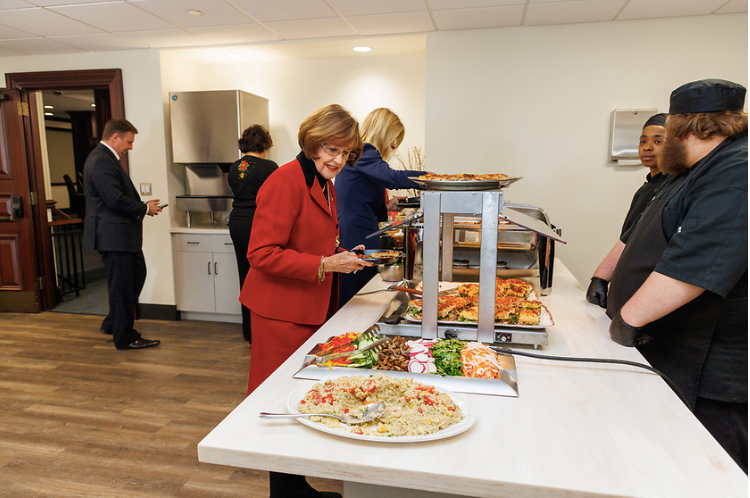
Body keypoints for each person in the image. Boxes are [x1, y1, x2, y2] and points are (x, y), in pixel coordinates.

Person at [606, 79, 747, 472]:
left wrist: (628, 320)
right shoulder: (693, 170)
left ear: (685, 127)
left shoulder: (739, 171)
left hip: (707, 369)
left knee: (707, 473)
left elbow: (696, 265)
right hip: (671, 349)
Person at [239, 104, 372, 498]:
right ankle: (284, 493)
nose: (338, 160)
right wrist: (324, 263)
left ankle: (296, 488)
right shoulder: (285, 181)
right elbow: (261, 253)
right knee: (278, 405)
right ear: (312, 143)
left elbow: (310, 239)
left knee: (297, 401)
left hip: (305, 309)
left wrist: (342, 254)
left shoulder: (321, 180)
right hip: (279, 313)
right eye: (332, 149)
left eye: (346, 153)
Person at [83, 118, 162, 350]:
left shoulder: (107, 159)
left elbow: (116, 196)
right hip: (113, 236)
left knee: (136, 275)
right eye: (129, 142)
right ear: (115, 137)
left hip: (121, 235)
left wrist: (142, 205)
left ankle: (113, 322)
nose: (130, 147)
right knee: (122, 286)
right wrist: (145, 208)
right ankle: (125, 336)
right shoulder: (100, 161)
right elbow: (114, 199)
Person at [335, 108, 425, 307]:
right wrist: (430, 178)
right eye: (394, 140)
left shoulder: (361, 155)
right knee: (354, 294)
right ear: (384, 133)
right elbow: (393, 178)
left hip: (358, 228)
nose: (394, 146)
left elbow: (361, 197)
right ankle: (346, 334)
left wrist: (388, 205)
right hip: (356, 232)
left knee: (359, 291)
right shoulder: (364, 152)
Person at [586, 113, 669, 307]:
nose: (648, 147)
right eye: (642, 141)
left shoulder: (670, 189)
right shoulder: (646, 188)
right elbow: (629, 236)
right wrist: (601, 277)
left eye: (658, 141)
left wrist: (602, 276)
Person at [227, 124, 278, 344]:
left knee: (244, 274)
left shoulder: (233, 167)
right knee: (262, 276)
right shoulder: (269, 166)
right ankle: (261, 330)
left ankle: (248, 331)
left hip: (236, 223)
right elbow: (278, 197)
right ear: (264, 144)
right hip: (257, 223)